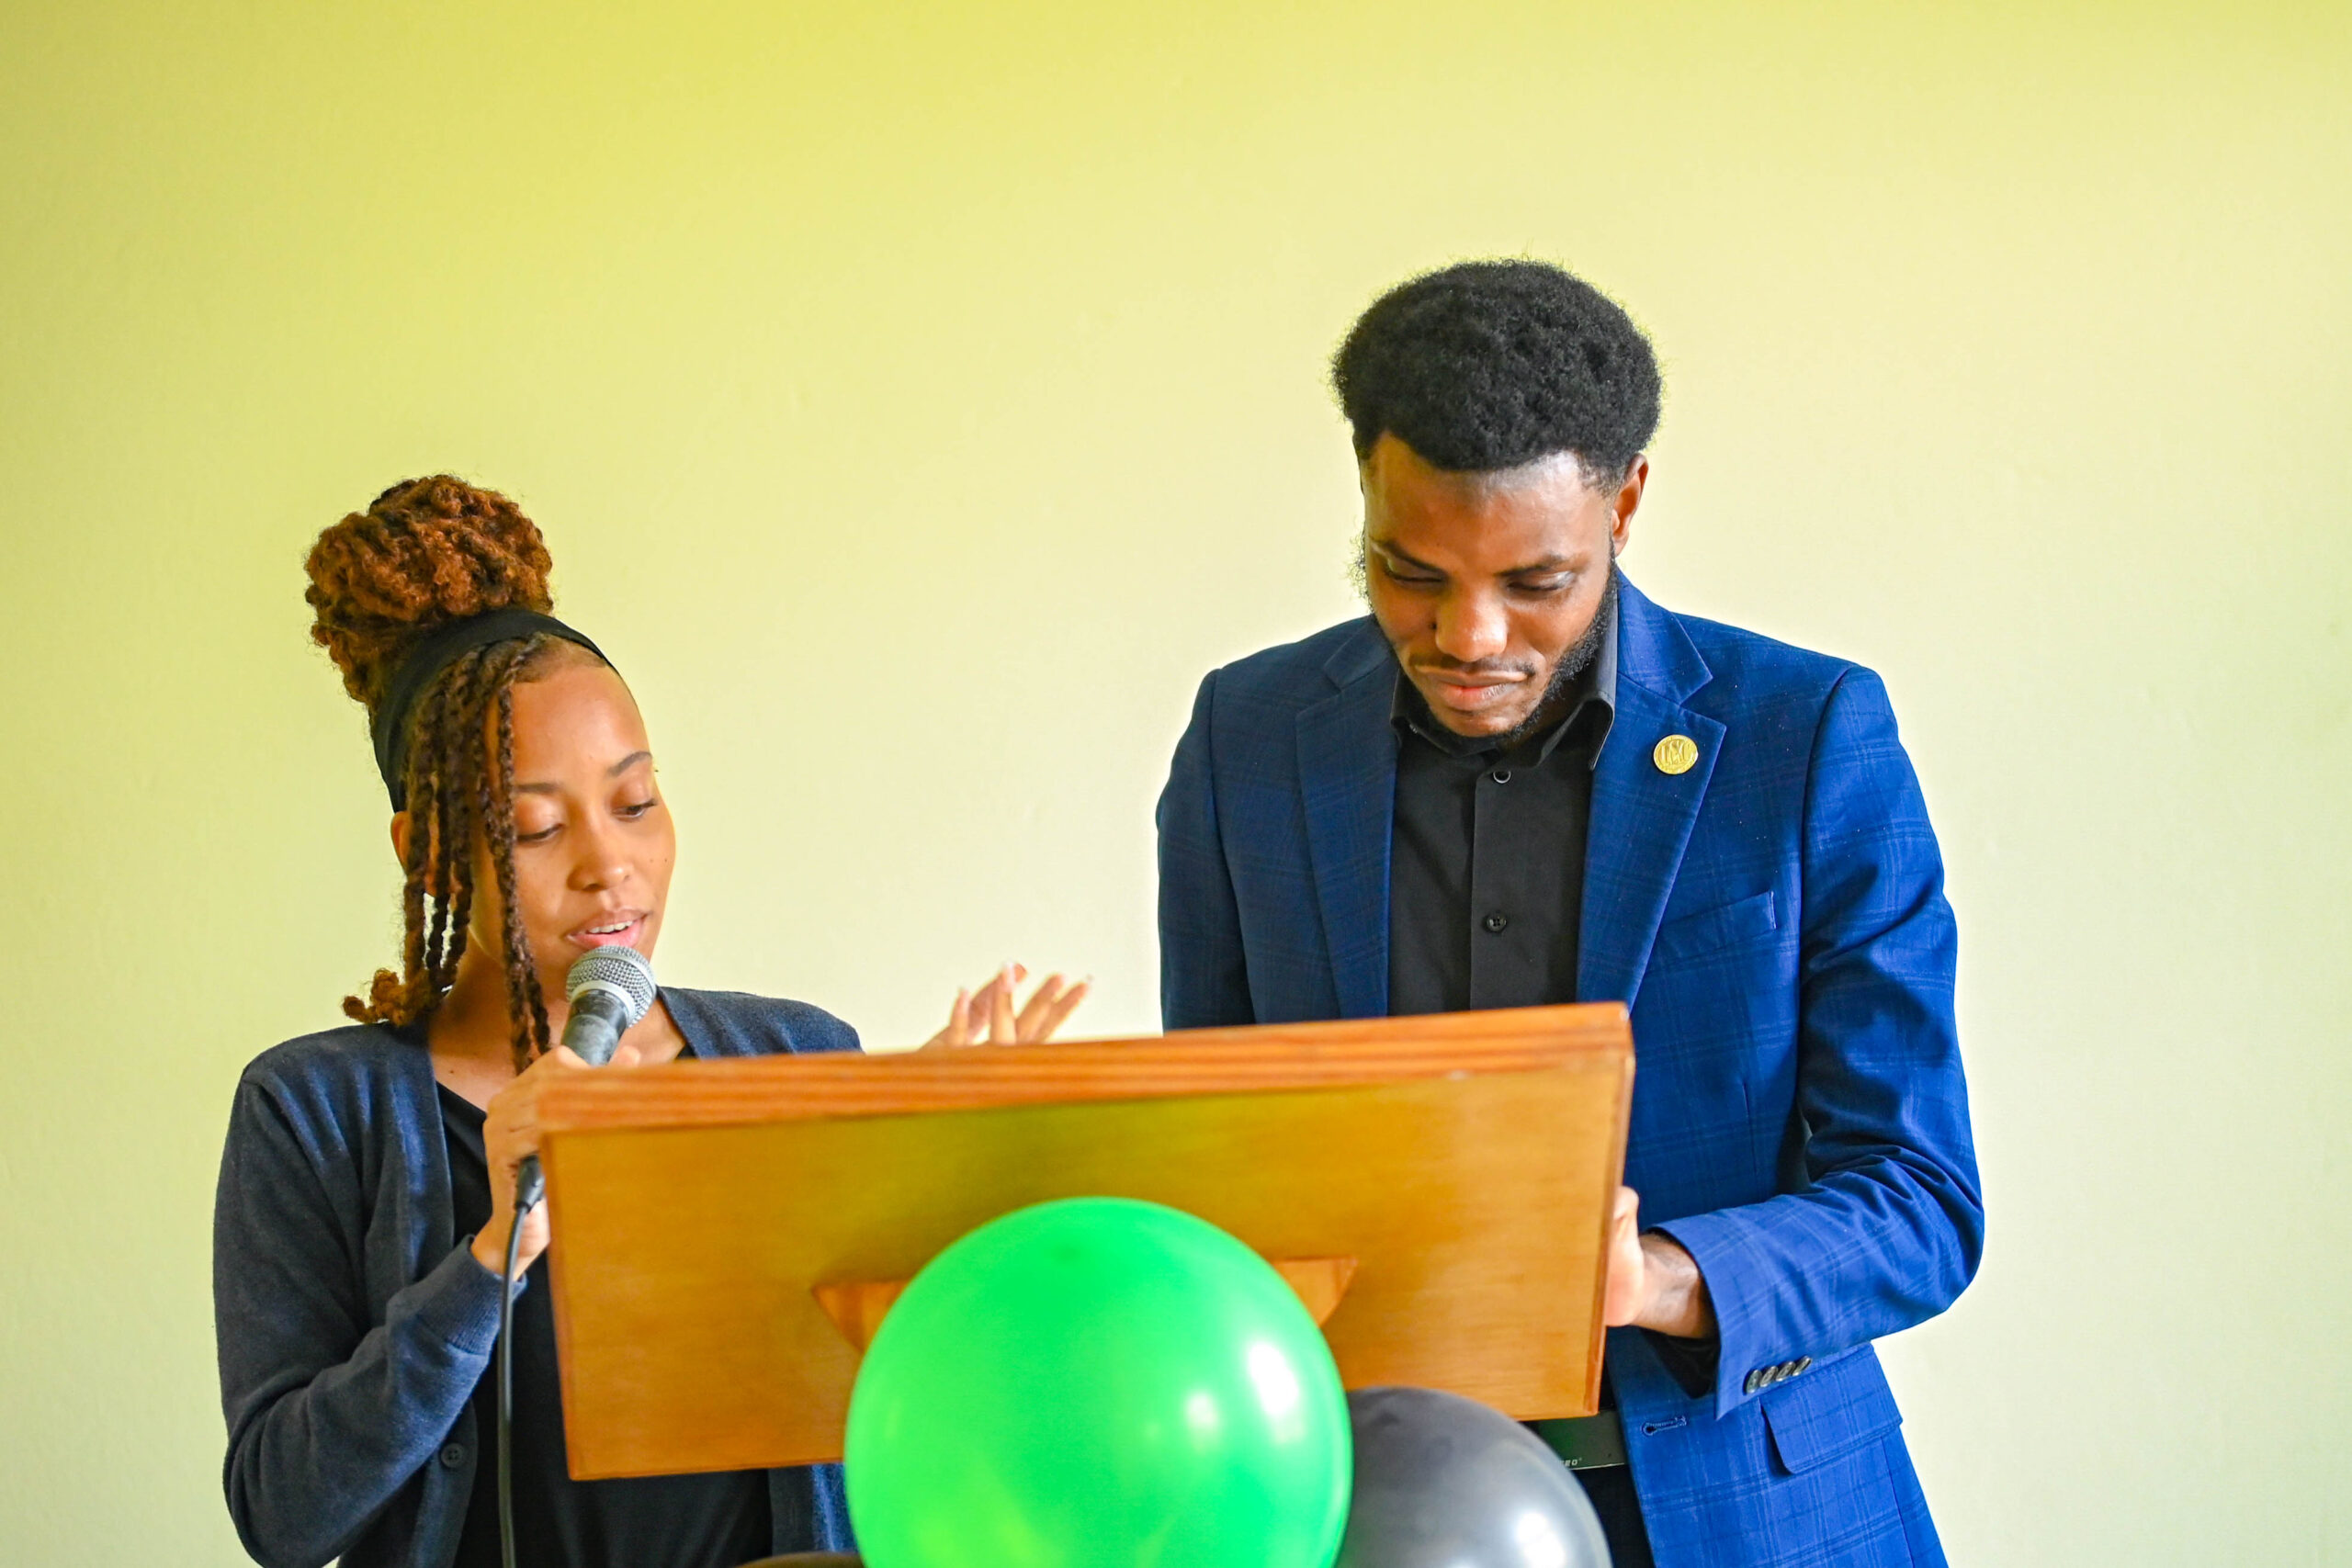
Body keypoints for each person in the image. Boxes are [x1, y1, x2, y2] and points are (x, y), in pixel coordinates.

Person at [1156, 261, 1981, 1567]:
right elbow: (1218, 1152)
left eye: (1535, 579)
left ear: (1628, 501)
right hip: (1362, 1512)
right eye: (1409, 571)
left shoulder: (1806, 736)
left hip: (1754, 1510)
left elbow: (1921, 1198)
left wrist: (1656, 1276)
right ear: (1365, 485)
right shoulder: (1246, 741)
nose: (1469, 634)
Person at [213, 476, 1086, 1568]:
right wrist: (490, 1257)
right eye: (534, 827)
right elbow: (285, 1517)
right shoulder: (312, 1112)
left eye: (635, 804)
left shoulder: (795, 1053)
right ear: (428, 854)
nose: (609, 867)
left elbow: (934, 1417)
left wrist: (947, 1189)